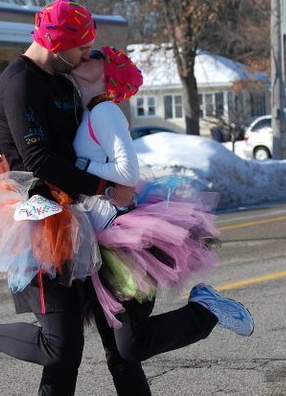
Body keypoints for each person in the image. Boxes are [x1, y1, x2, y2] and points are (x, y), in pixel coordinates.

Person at [0, 0, 133, 395]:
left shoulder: (62, 79)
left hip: (71, 216)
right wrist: (105, 188)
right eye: (79, 47)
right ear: (57, 44)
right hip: (35, 219)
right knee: (59, 347)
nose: (83, 55)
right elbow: (37, 158)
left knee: (67, 355)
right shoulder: (20, 79)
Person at [70, 47, 254, 395]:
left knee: (132, 345)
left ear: (107, 76)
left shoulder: (105, 111)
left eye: (95, 55)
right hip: (99, 240)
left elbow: (128, 171)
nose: (85, 55)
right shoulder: (87, 113)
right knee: (120, 355)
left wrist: (76, 170)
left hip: (125, 243)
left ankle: (205, 310)